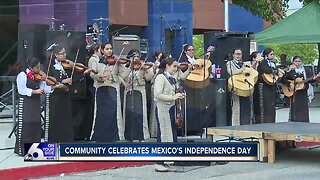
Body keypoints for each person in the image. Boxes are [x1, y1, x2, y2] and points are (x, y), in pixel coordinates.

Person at [15, 57, 61, 156]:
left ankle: (34, 148)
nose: (39, 70)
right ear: (31, 68)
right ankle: (23, 149)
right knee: (26, 123)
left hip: (35, 102)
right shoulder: (22, 75)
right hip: (26, 102)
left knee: (36, 123)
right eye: (37, 68)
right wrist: (35, 91)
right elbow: (21, 90)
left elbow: (44, 88)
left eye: (39, 67)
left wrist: (52, 86)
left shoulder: (38, 76)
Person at [90, 43, 129, 142]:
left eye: (111, 48)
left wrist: (127, 65)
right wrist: (99, 77)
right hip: (101, 88)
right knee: (101, 113)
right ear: (102, 50)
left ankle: (114, 136)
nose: (110, 50)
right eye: (107, 49)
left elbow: (123, 75)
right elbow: (92, 73)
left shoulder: (116, 61)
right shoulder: (95, 60)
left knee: (113, 113)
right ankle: (99, 136)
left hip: (113, 88)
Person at [153, 57, 186, 172]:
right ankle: (159, 162)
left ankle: (167, 161)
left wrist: (179, 94)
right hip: (163, 108)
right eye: (174, 66)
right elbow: (157, 95)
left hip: (171, 108)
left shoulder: (171, 78)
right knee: (163, 134)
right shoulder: (161, 77)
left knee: (170, 135)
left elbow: (174, 91)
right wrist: (172, 97)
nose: (176, 69)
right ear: (167, 66)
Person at [123, 49, 154, 142]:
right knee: (129, 113)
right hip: (129, 91)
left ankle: (141, 135)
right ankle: (129, 136)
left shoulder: (143, 65)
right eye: (134, 56)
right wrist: (130, 66)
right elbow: (124, 76)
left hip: (140, 90)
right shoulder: (126, 66)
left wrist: (147, 69)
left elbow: (149, 78)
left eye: (137, 56)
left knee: (140, 112)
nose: (136, 58)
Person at [283, 56, 317, 122]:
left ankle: (304, 122)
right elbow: (283, 79)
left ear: (302, 62)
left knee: (303, 108)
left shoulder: (306, 70)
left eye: (299, 61)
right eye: (296, 61)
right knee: (295, 108)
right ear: (293, 62)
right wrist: (289, 84)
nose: (297, 63)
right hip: (294, 93)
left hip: (303, 92)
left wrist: (314, 79)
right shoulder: (290, 70)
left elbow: (310, 80)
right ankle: (294, 121)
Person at [226, 48, 253, 125]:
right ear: (233, 55)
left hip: (245, 87)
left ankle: (246, 125)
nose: (238, 56)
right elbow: (231, 72)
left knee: (246, 108)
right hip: (236, 87)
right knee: (236, 108)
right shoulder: (230, 63)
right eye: (237, 54)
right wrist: (241, 69)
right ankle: (236, 126)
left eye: (240, 54)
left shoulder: (245, 63)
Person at [255, 48, 278, 123]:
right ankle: (265, 121)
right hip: (264, 86)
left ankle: (272, 120)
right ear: (266, 55)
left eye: (273, 54)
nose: (273, 56)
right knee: (265, 104)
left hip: (271, 85)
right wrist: (276, 70)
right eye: (271, 54)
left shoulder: (273, 63)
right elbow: (266, 70)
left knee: (272, 104)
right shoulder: (263, 62)